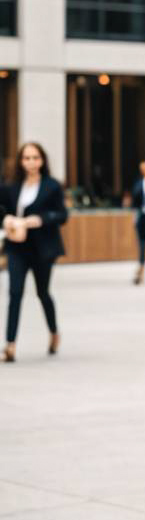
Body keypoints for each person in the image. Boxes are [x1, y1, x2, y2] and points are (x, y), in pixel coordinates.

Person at [1, 142, 68, 362]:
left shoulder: (52, 186)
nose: (31, 162)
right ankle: (9, 345)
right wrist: (6, 219)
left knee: (42, 293)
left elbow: (62, 215)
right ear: (20, 161)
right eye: (26, 158)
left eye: (35, 158)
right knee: (15, 293)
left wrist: (38, 220)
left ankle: (53, 331)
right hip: (17, 247)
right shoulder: (11, 186)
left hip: (42, 248)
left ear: (42, 160)